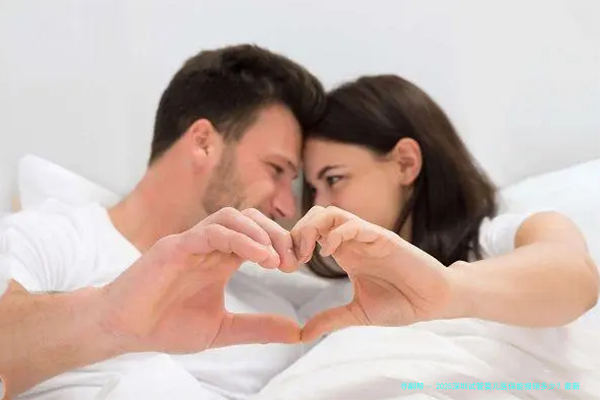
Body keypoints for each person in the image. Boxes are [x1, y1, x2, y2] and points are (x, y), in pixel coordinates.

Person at [0, 44, 327, 400]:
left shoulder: (274, 321)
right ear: (203, 142)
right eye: (276, 169)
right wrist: (108, 320)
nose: (286, 206)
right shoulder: (49, 239)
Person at [293, 74, 599, 341]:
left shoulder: (496, 241)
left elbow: (577, 278)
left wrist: (445, 289)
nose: (319, 205)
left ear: (405, 163)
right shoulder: (329, 305)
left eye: (334, 179)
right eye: (313, 189)